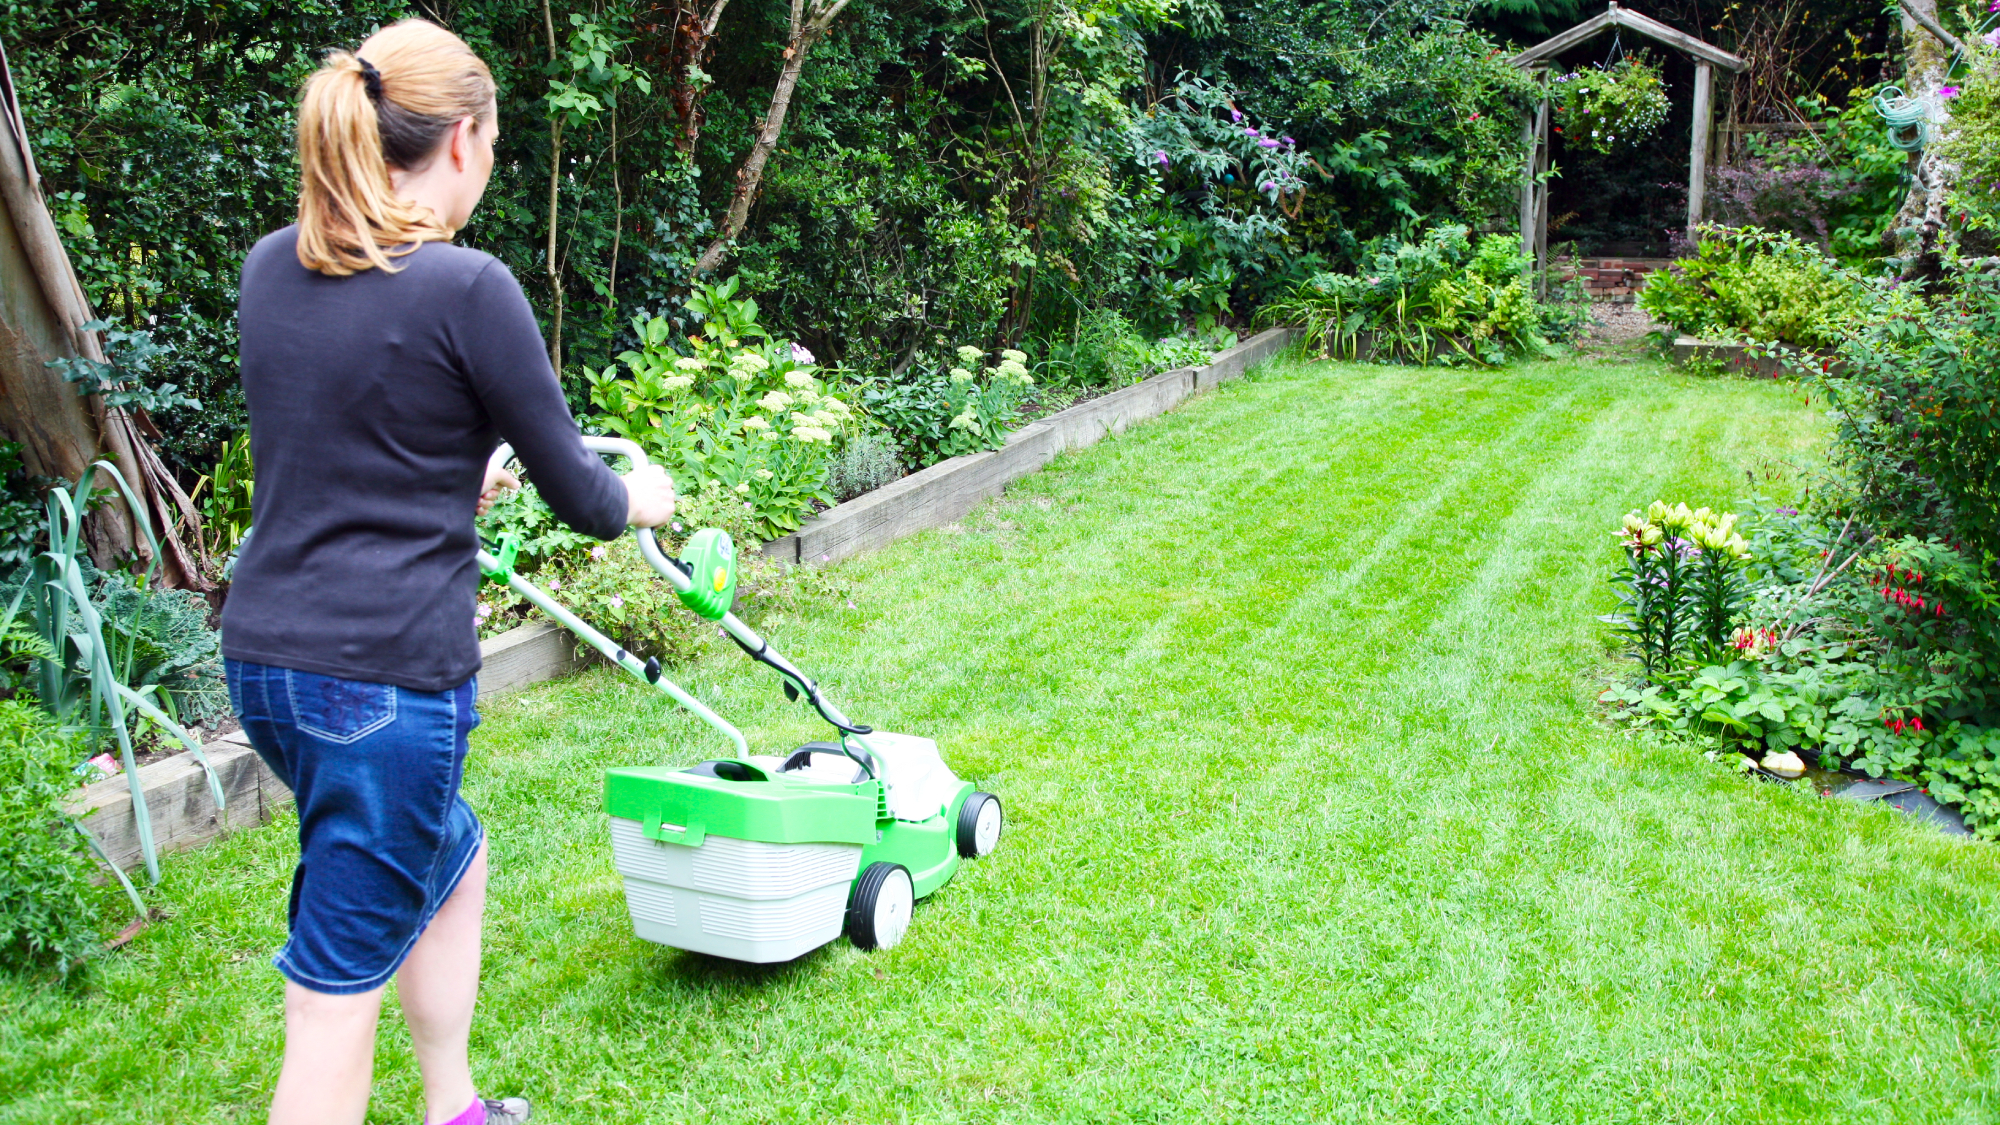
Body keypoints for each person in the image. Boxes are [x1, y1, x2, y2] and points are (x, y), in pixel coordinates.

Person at [219, 20, 675, 1125]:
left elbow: (335, 439)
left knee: (450, 862)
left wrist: (451, 471)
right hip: (382, 684)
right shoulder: (469, 288)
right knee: (333, 997)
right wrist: (646, 495)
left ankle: (455, 1107)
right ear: (463, 143)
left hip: (268, 662)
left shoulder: (271, 267)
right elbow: (586, 494)